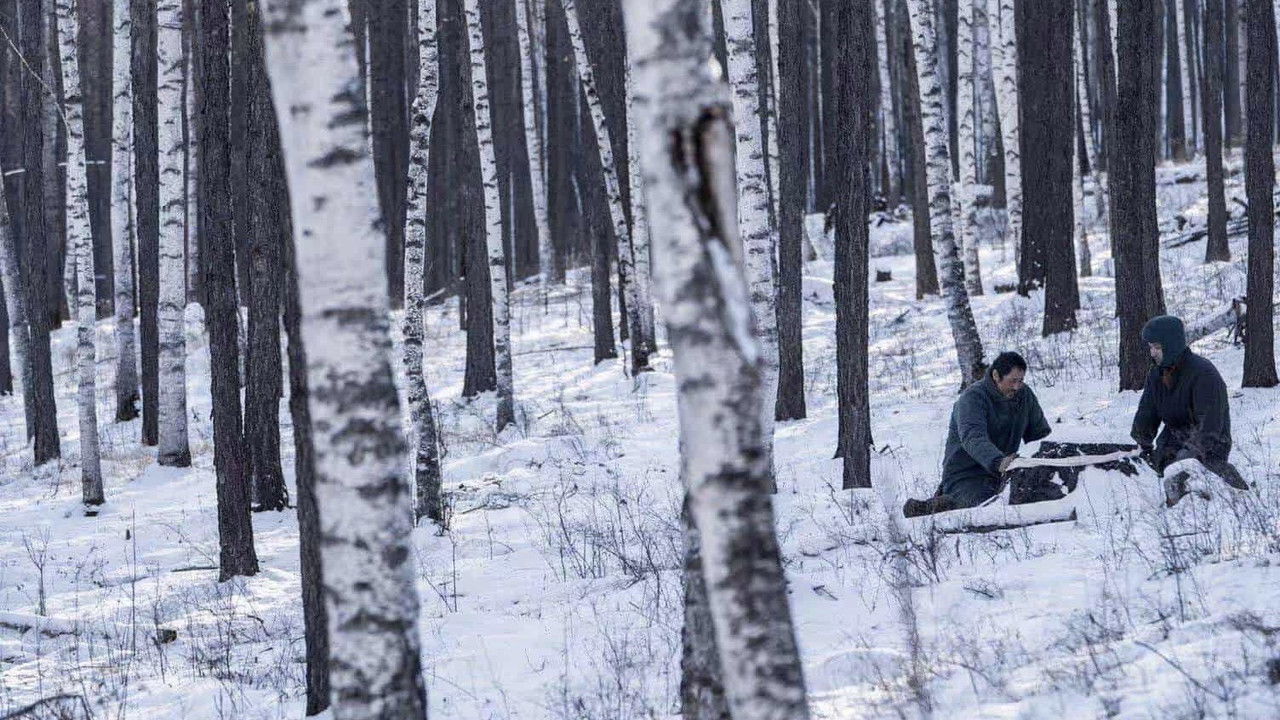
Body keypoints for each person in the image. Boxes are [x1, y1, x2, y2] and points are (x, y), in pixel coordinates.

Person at [903, 351, 1052, 517]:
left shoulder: (1024, 395)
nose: (1017, 386)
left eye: (1021, 381)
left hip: (1006, 471)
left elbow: (1040, 435)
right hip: (967, 475)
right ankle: (935, 505)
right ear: (996, 376)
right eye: (1012, 381)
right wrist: (998, 462)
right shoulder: (972, 398)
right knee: (987, 507)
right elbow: (973, 438)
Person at [1130, 315, 1247, 505]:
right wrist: (1141, 444)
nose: (1152, 353)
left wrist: (1185, 458)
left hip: (1210, 445)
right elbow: (1147, 412)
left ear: (1171, 345)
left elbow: (1209, 428)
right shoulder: (1156, 374)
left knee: (1184, 478)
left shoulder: (1203, 374)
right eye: (1150, 347)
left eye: (1157, 348)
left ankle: (1234, 492)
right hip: (1173, 440)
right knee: (1151, 474)